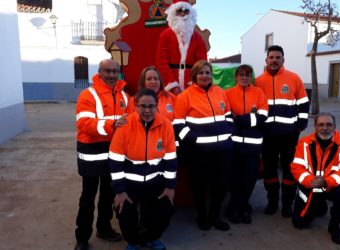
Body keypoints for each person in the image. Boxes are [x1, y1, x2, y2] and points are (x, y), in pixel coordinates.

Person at [74, 59, 132, 250]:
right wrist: (112, 126)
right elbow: (84, 124)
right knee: (88, 197)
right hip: (92, 153)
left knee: (108, 195)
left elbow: (132, 120)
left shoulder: (125, 96)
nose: (112, 75)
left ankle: (104, 228)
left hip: (114, 152)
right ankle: (82, 238)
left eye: (115, 71)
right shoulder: (87, 95)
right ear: (99, 73)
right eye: (107, 71)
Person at [109, 88, 177, 250]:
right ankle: (133, 241)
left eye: (151, 106)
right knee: (125, 212)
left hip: (156, 182)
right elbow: (115, 160)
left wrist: (169, 187)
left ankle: (151, 238)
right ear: (135, 106)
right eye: (143, 106)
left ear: (157, 106)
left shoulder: (166, 125)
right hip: (130, 184)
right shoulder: (125, 126)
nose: (147, 110)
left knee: (165, 209)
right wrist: (120, 191)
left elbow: (171, 159)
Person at [173, 60, 234, 231]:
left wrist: (230, 131)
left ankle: (215, 216)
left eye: (207, 72)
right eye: (201, 73)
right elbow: (178, 125)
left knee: (221, 185)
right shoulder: (185, 96)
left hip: (223, 150)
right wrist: (194, 141)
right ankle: (203, 216)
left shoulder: (221, 92)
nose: (205, 76)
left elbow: (228, 115)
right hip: (198, 153)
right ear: (194, 76)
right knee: (199, 186)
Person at [255, 45, 310, 217]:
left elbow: (303, 104)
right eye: (271, 57)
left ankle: (287, 204)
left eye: (278, 57)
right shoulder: (258, 81)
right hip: (268, 136)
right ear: (266, 60)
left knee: (289, 171)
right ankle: (272, 202)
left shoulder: (294, 78)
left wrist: (300, 125)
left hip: (289, 135)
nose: (274, 60)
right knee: (270, 171)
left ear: (283, 60)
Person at [290, 112, 340, 245]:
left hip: (333, 187)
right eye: (321, 124)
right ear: (315, 126)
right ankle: (319, 205)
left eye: (329, 125)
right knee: (298, 223)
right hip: (312, 185)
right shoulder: (304, 143)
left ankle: (335, 226)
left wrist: (327, 182)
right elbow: (296, 167)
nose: (324, 128)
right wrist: (310, 181)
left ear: (334, 127)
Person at [224, 64, 268, 224]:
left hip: (252, 147)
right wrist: (249, 119)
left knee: (249, 180)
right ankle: (237, 209)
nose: (244, 77)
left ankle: (241, 208)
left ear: (251, 77)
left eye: (248, 74)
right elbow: (226, 116)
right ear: (236, 77)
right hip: (234, 147)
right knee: (235, 180)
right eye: (241, 74)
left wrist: (239, 119)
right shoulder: (227, 94)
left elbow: (263, 117)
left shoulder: (259, 93)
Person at [156, 0, 207, 95]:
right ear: (174, 13)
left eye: (186, 11)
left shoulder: (198, 38)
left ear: (190, 13)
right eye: (179, 10)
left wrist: (194, 83)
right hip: (171, 82)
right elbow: (161, 62)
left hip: (191, 84)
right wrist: (172, 85)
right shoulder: (165, 35)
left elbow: (202, 64)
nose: (183, 14)